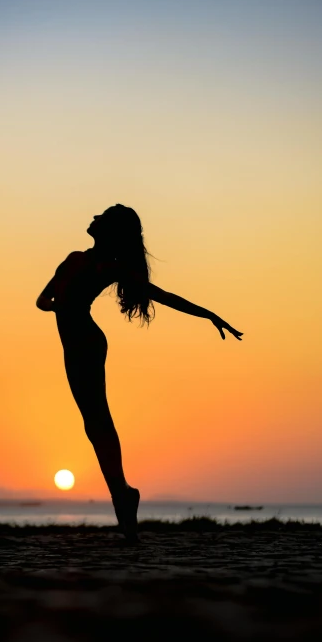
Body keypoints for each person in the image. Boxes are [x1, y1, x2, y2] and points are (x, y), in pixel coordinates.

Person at [36, 204, 243, 542]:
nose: (94, 217)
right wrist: (64, 305)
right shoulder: (73, 259)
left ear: (110, 232)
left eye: (101, 217)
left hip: (86, 343)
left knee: (98, 422)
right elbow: (42, 301)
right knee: (93, 425)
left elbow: (162, 296)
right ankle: (123, 494)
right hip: (73, 346)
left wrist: (209, 315)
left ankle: (122, 497)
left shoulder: (110, 267)